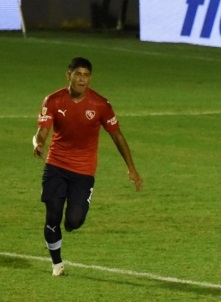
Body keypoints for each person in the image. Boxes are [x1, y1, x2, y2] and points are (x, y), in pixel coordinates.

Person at [32, 57, 142, 276]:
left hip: (83, 171)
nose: (82, 79)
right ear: (69, 76)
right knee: (52, 216)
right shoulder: (53, 100)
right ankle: (57, 263)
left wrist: (131, 168)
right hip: (56, 165)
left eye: (86, 75)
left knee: (74, 220)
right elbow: (42, 132)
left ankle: (67, 226)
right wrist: (38, 143)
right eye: (78, 74)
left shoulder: (100, 105)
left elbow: (117, 136)